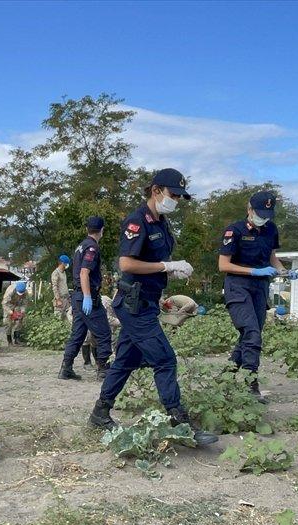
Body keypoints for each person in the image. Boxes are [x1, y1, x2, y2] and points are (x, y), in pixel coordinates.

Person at [87, 169, 218, 446]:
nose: (177, 201)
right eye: (173, 195)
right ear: (156, 190)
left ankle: (100, 412)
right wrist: (167, 266)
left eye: (180, 197)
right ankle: (179, 421)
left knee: (124, 361)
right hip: (133, 306)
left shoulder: (162, 223)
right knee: (165, 360)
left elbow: (151, 267)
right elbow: (126, 264)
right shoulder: (138, 221)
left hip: (147, 301)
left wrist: (168, 276)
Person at [217, 190, 298, 403]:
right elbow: (223, 265)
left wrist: (285, 272)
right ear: (249, 209)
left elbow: (272, 258)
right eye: (260, 213)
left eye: (267, 214)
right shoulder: (234, 230)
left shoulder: (271, 229)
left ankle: (226, 376)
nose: (263, 218)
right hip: (238, 285)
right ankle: (251, 385)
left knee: (249, 336)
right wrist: (254, 271)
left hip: (260, 288)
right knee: (252, 333)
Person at [60, 216, 113, 380]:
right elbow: (84, 272)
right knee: (104, 333)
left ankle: (66, 369)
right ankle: (103, 369)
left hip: (76, 297)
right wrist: (88, 297)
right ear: (102, 230)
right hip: (86, 296)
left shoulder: (81, 246)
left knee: (78, 334)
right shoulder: (92, 247)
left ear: (86, 229)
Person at [82, 293, 118, 367]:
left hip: (93, 314)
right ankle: (87, 362)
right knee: (88, 337)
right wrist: (121, 322)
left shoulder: (110, 304)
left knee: (97, 338)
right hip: (83, 314)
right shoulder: (105, 304)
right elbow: (108, 319)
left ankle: (99, 362)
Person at [2, 280, 30, 345]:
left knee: (19, 320)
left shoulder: (25, 292)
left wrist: (23, 311)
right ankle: (9, 340)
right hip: (8, 304)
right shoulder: (10, 291)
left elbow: (24, 304)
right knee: (7, 322)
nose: (20, 295)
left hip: (18, 305)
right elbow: (4, 304)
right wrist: (10, 312)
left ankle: (17, 339)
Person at [50, 255, 71, 320]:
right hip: (60, 300)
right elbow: (55, 287)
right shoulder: (56, 273)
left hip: (66, 300)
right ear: (62, 263)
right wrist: (58, 299)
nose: (67, 265)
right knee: (58, 319)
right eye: (66, 263)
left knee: (67, 320)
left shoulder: (64, 273)